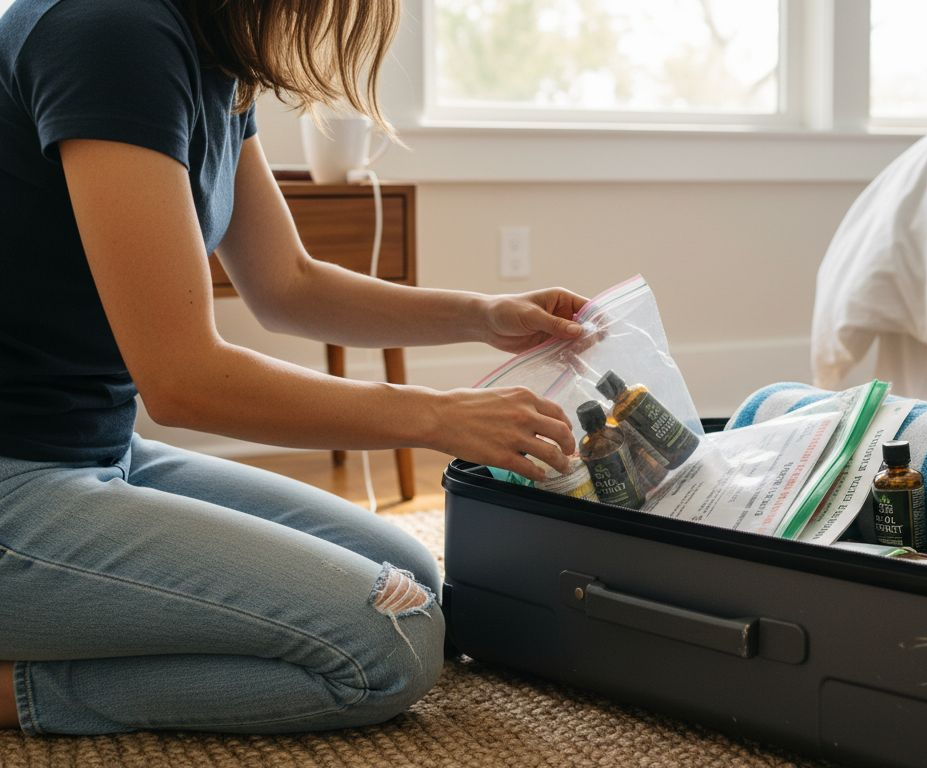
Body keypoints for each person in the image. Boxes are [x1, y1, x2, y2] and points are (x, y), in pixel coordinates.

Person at [0, 0, 586, 735]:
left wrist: (482, 314)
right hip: (16, 478)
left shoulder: (207, 50)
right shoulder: (109, 31)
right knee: (388, 644)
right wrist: (437, 418)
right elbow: (184, 379)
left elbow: (289, 284)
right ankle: (21, 690)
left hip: (100, 452)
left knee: (415, 581)